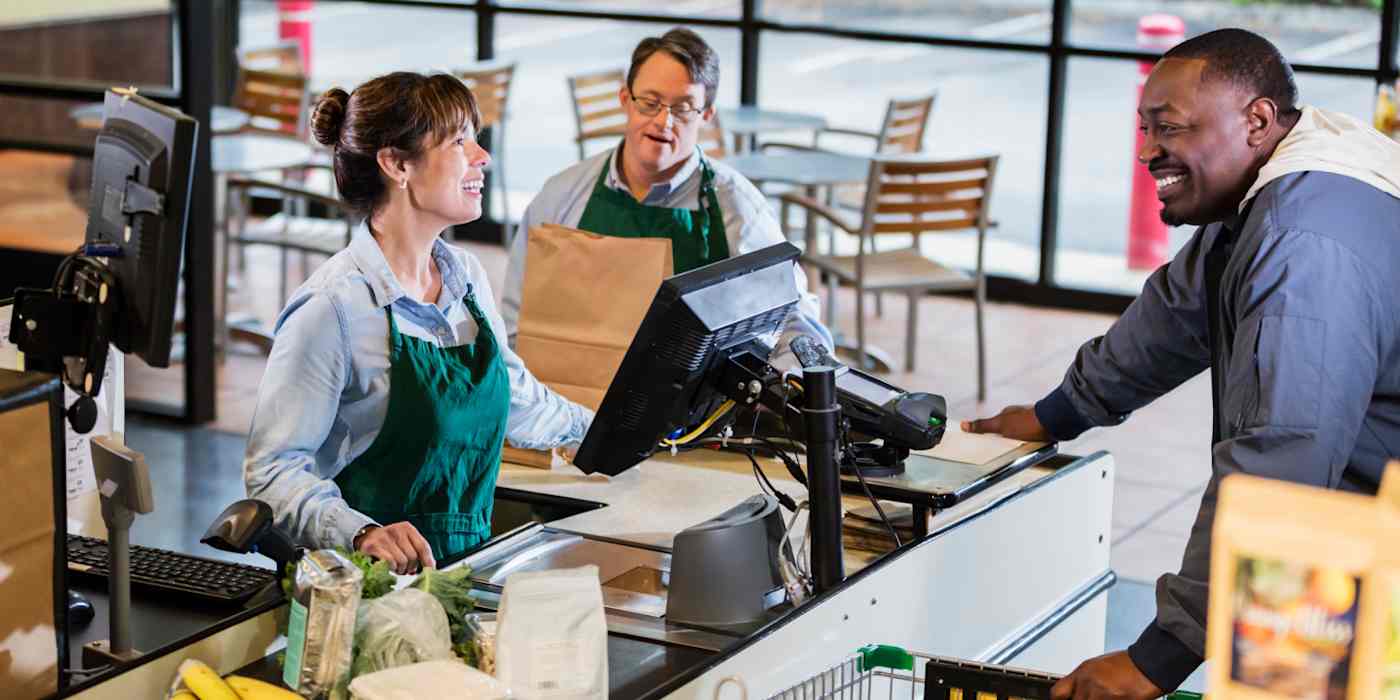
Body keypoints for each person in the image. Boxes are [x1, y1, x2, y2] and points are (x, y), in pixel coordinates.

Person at [964, 28, 1400, 697]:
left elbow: (1282, 460)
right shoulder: (1275, 188)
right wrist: (1054, 414)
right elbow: (1171, 317)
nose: (1147, 151)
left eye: (1168, 128)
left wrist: (1157, 657)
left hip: (1365, 545)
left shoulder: (1301, 245)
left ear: (1256, 120)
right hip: (1337, 526)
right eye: (1144, 128)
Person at [243, 73, 593, 575]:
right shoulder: (332, 308)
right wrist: (360, 532)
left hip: (467, 573)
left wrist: (606, 431)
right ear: (397, 164)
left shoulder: (466, 278)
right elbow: (272, 473)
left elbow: (517, 398)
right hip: (365, 592)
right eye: (459, 141)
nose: (482, 156)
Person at [500, 27, 830, 363]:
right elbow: (517, 323)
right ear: (626, 100)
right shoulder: (561, 196)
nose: (663, 121)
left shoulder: (739, 208)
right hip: (569, 405)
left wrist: (793, 377)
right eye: (650, 102)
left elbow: (794, 318)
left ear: (707, 115)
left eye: (683, 107)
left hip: (695, 413)